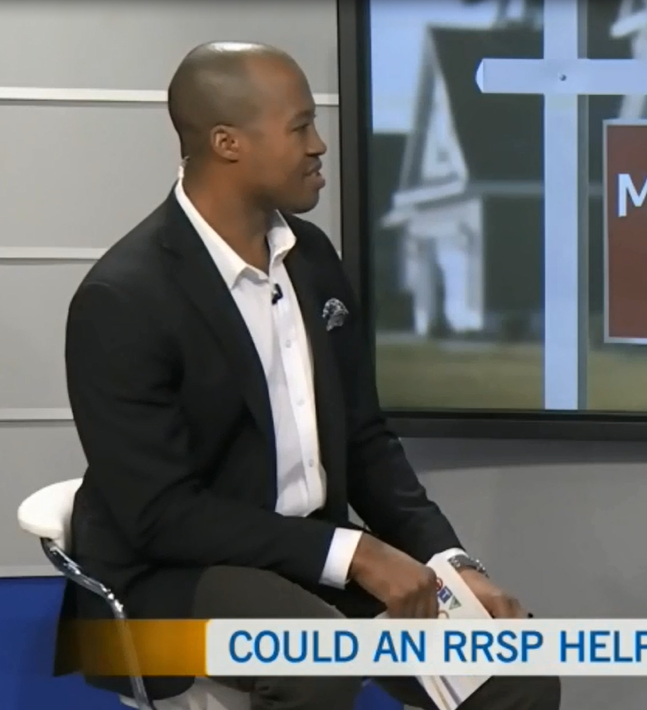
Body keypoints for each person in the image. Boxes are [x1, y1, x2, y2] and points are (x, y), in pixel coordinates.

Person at [58, 41, 559, 710]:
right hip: (169, 575)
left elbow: (365, 440)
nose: (319, 145)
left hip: (309, 557)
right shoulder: (124, 299)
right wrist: (358, 555)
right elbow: (161, 515)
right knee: (315, 660)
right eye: (300, 127)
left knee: (514, 671)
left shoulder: (311, 258)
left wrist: (451, 564)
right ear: (228, 143)